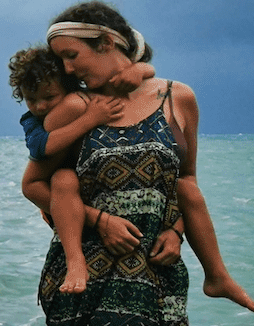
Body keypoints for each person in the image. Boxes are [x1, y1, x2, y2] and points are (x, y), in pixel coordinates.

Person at [34, 0, 254, 326]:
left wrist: (177, 230)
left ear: (107, 43)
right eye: (61, 60)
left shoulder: (178, 98)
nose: (67, 69)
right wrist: (100, 221)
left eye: (72, 55)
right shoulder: (77, 107)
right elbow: (37, 184)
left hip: (157, 273)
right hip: (86, 277)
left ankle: (217, 278)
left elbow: (185, 180)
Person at [9, 46, 152, 293]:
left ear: (69, 87)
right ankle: (75, 261)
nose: (40, 107)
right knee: (63, 178)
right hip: (60, 195)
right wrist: (90, 119)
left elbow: (147, 69)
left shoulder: (83, 96)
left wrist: (139, 70)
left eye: (49, 97)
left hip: (85, 191)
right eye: (31, 99)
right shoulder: (33, 121)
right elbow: (42, 147)